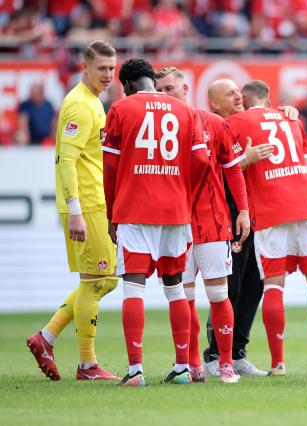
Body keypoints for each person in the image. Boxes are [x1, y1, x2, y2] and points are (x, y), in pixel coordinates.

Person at [102, 58, 209, 386]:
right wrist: (181, 192)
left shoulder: (121, 108)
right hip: (175, 210)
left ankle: (135, 370)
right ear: (151, 79)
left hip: (135, 208)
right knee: (175, 286)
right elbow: (202, 161)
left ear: (127, 85)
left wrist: (111, 212)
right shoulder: (185, 111)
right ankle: (181, 368)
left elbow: (109, 167)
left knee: (134, 285)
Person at [224, 80, 307, 376]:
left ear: (246, 98)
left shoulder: (236, 121)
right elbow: (303, 160)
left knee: (275, 285)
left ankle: (278, 364)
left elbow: (228, 165)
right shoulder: (292, 119)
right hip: (306, 204)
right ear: (268, 98)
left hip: (270, 208)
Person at [26, 40, 120, 382]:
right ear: (85, 66)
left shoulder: (93, 101)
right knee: (97, 280)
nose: (108, 75)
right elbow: (66, 159)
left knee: (103, 279)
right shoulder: (80, 105)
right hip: (87, 204)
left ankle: (46, 338)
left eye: (112, 68)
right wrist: (76, 210)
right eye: (102, 69)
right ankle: (87, 365)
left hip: (96, 203)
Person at [154, 66, 252, 384]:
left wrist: (244, 210)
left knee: (218, 295)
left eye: (170, 87)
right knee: (182, 297)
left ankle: (225, 364)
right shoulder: (155, 129)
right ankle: (192, 363)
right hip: (175, 224)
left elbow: (234, 169)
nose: (165, 93)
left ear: (185, 88)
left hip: (211, 222)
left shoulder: (213, 123)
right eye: (160, 89)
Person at [202, 79, 297, 377]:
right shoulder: (215, 128)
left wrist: (287, 113)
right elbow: (214, 172)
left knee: (254, 284)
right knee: (229, 285)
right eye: (229, 93)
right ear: (214, 103)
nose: (238, 96)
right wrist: (246, 159)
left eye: (238, 92)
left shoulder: (246, 124)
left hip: (257, 214)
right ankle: (217, 354)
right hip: (228, 215)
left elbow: (274, 123)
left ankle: (238, 352)